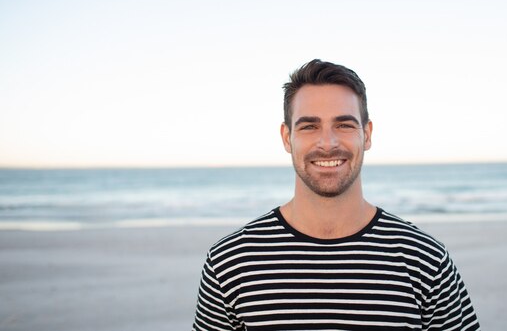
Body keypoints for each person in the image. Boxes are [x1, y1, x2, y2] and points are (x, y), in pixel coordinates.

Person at [192, 59, 480, 331]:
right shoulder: (230, 261)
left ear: (366, 135)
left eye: (344, 125)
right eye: (309, 126)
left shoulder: (425, 260)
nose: (327, 143)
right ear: (286, 137)